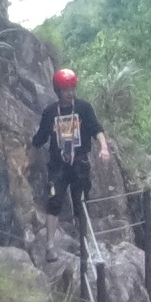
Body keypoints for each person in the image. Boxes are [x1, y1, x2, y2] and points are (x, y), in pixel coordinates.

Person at [30, 67, 106, 215]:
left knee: (81, 202)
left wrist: (103, 147)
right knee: (54, 201)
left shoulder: (83, 108)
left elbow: (96, 129)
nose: (70, 93)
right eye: (66, 90)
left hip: (79, 161)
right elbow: (39, 139)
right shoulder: (50, 112)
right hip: (57, 165)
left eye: (72, 89)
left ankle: (84, 236)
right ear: (58, 91)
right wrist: (29, 160)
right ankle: (50, 239)